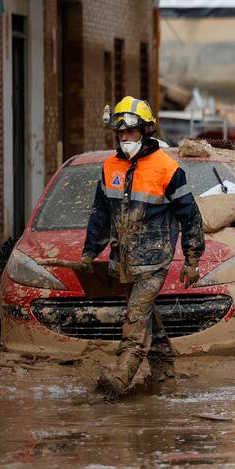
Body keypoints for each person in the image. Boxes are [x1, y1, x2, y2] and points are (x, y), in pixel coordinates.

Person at [82, 97, 205, 396]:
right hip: (123, 260)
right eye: (120, 133)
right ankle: (165, 375)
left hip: (155, 260)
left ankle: (120, 376)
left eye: (131, 132)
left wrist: (192, 259)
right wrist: (89, 252)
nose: (125, 139)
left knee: (135, 317)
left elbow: (190, 215)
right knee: (147, 315)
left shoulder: (167, 168)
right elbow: (100, 214)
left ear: (146, 130)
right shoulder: (110, 166)